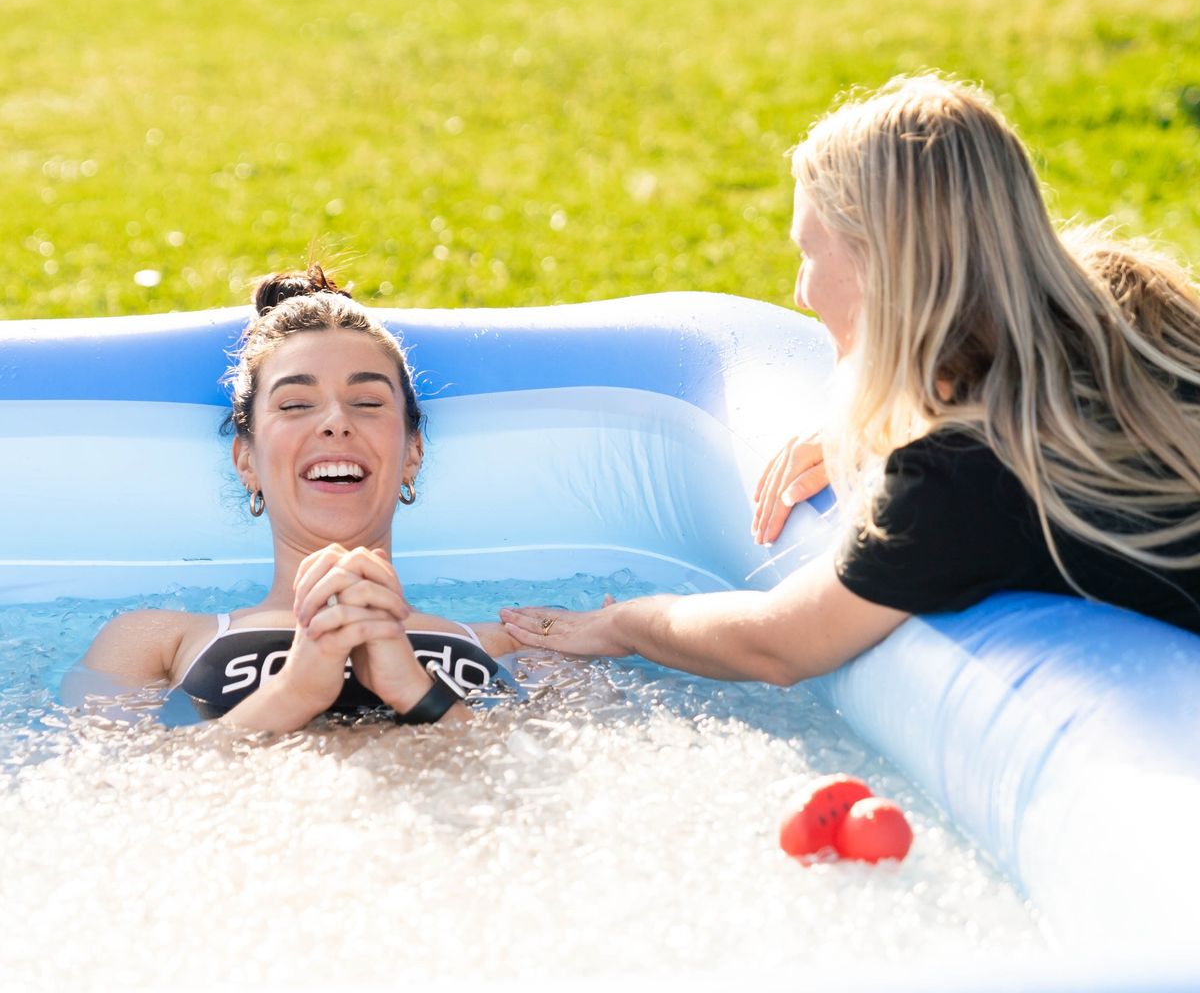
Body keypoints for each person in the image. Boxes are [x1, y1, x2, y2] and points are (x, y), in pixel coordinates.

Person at [501, 74, 1200, 680]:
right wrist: (857, 420)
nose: (802, 292)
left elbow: (779, 646)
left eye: (810, 251)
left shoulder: (969, 472)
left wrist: (626, 623)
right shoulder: (1139, 307)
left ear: (882, 270)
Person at [75, 266, 522, 733]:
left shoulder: (517, 640)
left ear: (412, 453)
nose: (335, 421)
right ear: (246, 460)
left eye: (368, 402)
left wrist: (414, 690)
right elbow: (95, 783)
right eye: (294, 405)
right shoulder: (157, 640)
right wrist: (296, 691)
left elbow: (554, 780)